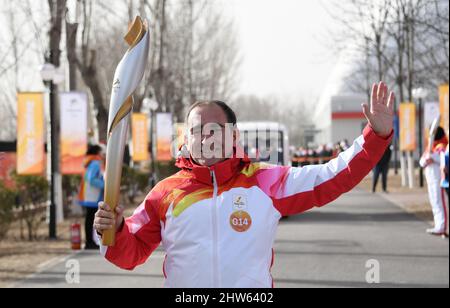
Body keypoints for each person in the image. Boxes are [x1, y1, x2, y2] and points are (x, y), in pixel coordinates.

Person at [94, 82, 395, 288]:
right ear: (187, 139)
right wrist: (115, 229)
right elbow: (129, 253)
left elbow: (331, 176)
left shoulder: (265, 181)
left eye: (214, 130)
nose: (205, 138)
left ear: (233, 136)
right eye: (197, 131)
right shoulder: (165, 192)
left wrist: (375, 137)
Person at [420, 127, 448, 237]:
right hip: (430, 180)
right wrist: (427, 159)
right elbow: (422, 162)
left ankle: (443, 227)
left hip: (439, 180)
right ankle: (438, 225)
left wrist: (432, 157)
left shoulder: (442, 146)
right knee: (434, 203)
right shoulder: (430, 148)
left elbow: (443, 159)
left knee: (441, 203)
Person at [78, 144, 105, 250]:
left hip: (88, 194)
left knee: (89, 218)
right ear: (97, 152)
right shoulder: (95, 163)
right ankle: (89, 242)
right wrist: (104, 184)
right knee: (90, 219)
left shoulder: (89, 161)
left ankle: (89, 241)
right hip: (92, 195)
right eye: (101, 152)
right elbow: (91, 178)